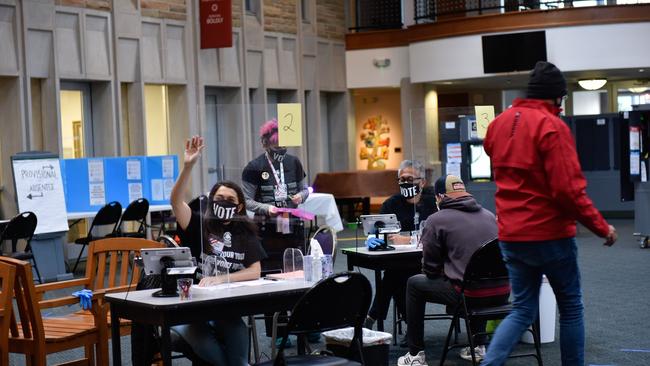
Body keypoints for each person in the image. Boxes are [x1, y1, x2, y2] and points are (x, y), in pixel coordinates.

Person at [481, 61, 617, 366]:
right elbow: (568, 191)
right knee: (570, 307)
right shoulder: (552, 126)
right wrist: (601, 227)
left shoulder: (499, 124)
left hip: (512, 236)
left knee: (521, 310)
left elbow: (492, 149)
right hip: (550, 235)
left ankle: (490, 363)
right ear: (556, 97)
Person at [170, 135, 266, 366]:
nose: (224, 202)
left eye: (230, 199)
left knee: (239, 358)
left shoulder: (244, 232)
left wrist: (222, 278)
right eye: (219, 198)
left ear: (239, 206)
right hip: (193, 308)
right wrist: (188, 167)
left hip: (226, 309)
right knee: (220, 358)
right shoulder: (199, 225)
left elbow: (255, 271)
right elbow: (175, 201)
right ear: (211, 201)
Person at [398, 175, 499, 366]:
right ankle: (479, 346)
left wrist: (446, 269)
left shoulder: (437, 220)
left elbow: (430, 269)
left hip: (470, 296)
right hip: (501, 294)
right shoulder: (488, 215)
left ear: (440, 197)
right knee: (475, 278)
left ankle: (415, 355)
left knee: (414, 284)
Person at [241, 118, 311, 346]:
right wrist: (266, 208)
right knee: (271, 276)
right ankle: (278, 331)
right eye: (275, 148)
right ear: (264, 144)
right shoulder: (253, 167)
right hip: (267, 229)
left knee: (298, 274)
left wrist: (302, 196)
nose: (279, 152)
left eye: (283, 148)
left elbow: (305, 188)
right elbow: (247, 201)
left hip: (293, 226)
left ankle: (304, 324)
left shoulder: (295, 162)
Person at [364, 160, 437, 346]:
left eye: (410, 178)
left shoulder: (432, 203)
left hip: (431, 262)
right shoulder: (391, 204)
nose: (405, 182)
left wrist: (409, 239)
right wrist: (374, 238)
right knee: (398, 275)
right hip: (402, 262)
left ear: (422, 182)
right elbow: (378, 231)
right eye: (402, 179)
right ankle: (410, 329)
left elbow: (438, 234)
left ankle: (372, 317)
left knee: (394, 276)